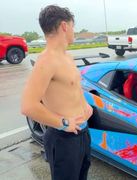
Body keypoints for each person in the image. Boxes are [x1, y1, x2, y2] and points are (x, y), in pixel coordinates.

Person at [21, 5, 92, 180]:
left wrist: (85, 106)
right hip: (63, 139)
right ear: (64, 26)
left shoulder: (67, 57)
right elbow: (28, 106)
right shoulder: (47, 60)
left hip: (82, 134)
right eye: (73, 26)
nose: (73, 31)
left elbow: (73, 86)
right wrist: (63, 122)